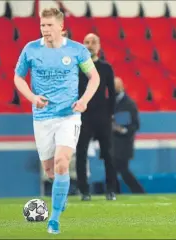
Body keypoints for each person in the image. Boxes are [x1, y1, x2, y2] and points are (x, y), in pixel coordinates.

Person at [14, 8, 100, 234]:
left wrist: (84, 101)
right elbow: (18, 77)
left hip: (68, 116)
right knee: (51, 171)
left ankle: (54, 219)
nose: (45, 30)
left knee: (63, 161)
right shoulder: (31, 50)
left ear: (61, 26)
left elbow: (94, 77)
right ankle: (61, 194)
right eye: (42, 25)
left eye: (49, 25)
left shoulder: (77, 50)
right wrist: (32, 97)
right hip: (42, 118)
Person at [76, 33, 118, 201]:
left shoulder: (106, 68)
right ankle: (84, 191)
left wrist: (109, 113)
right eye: (87, 42)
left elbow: (112, 94)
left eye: (93, 42)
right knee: (81, 154)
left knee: (108, 154)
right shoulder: (77, 68)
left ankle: (111, 190)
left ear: (99, 46)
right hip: (83, 117)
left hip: (102, 118)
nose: (90, 45)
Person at [112, 77, 144, 194]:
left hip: (124, 143)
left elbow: (135, 124)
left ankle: (139, 191)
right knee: (113, 170)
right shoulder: (109, 102)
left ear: (121, 87)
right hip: (112, 143)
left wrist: (123, 130)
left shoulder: (129, 104)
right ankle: (115, 192)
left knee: (122, 169)